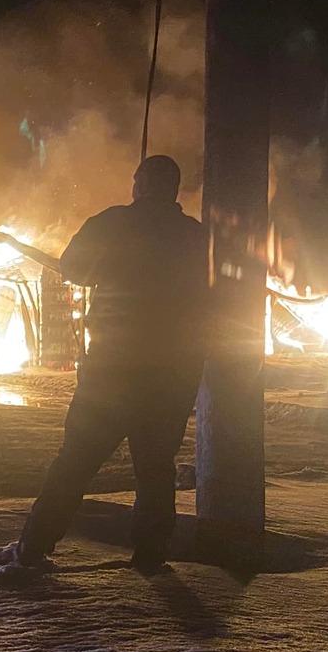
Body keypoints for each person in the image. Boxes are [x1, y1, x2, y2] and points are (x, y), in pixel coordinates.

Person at [16, 155, 208, 573]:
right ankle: (151, 556)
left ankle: (34, 546)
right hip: (171, 373)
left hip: (112, 369)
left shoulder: (113, 222)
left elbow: (73, 268)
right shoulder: (194, 235)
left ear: (141, 184)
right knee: (155, 467)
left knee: (75, 461)